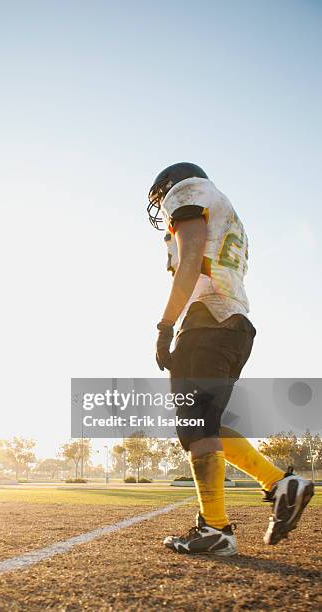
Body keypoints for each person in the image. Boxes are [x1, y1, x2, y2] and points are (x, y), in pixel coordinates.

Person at [147, 162, 314, 556]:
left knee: (194, 428)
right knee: (206, 426)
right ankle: (279, 485)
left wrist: (166, 325)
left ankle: (217, 529)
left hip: (208, 323)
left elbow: (189, 263)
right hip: (234, 326)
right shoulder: (227, 212)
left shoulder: (189, 191)